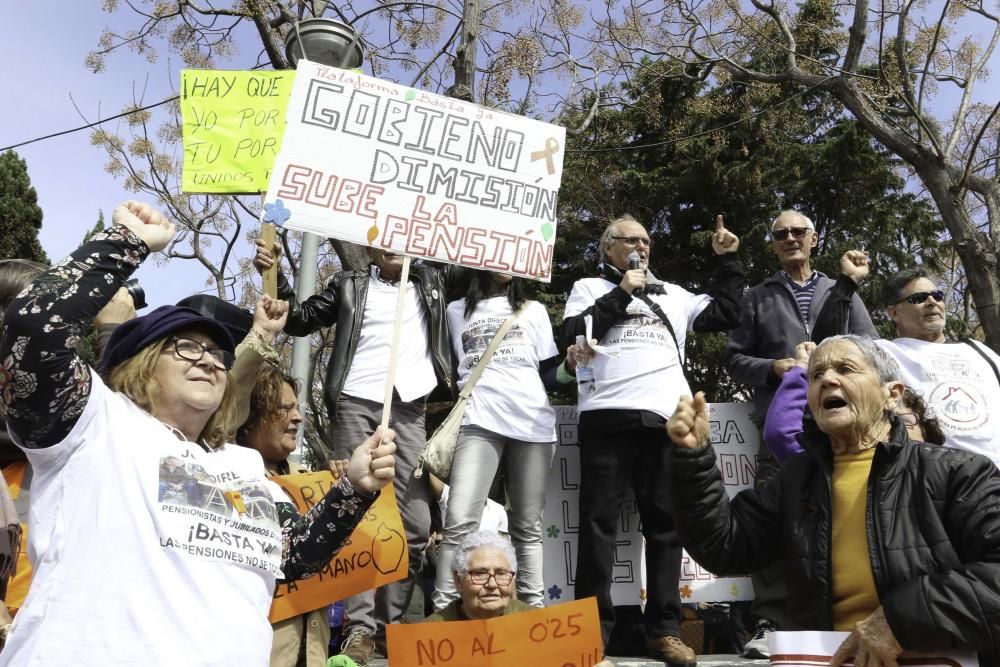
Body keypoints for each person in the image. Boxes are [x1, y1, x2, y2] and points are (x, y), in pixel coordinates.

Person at [0, 201, 397, 665]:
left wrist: (354, 487)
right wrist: (126, 242)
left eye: (218, 356)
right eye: (187, 347)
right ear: (141, 363)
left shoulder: (243, 464)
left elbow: (294, 556)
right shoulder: (92, 424)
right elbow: (31, 327)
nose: (210, 360)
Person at [668, 334, 1000, 667]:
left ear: (892, 394)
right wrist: (694, 460)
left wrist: (902, 620)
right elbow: (724, 546)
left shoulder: (959, 472)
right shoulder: (795, 480)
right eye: (816, 375)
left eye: (845, 368)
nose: (827, 379)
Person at [254, 239, 453, 666]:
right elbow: (301, 320)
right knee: (359, 513)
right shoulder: (350, 284)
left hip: (411, 405)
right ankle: (359, 629)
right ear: (372, 248)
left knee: (415, 523)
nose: (396, 246)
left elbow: (482, 266)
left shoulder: (434, 280)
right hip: (357, 399)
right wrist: (276, 276)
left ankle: (390, 625)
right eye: (387, 239)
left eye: (405, 237)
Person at [561, 213, 743, 666]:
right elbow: (574, 334)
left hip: (666, 419)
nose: (641, 246)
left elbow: (727, 311)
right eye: (630, 240)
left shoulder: (675, 294)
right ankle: (592, 633)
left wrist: (728, 260)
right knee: (598, 525)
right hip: (607, 415)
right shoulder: (589, 287)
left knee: (665, 526)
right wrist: (624, 291)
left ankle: (664, 629)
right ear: (608, 249)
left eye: (646, 240)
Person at [724, 212, 877, 656]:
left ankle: (857, 614)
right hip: (782, 427)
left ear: (813, 238)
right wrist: (774, 368)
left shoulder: (838, 290)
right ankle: (771, 621)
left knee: (854, 513)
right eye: (780, 234)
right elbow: (734, 359)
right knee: (774, 518)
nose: (789, 239)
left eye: (797, 232)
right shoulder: (758, 296)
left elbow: (871, 347)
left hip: (844, 428)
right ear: (773, 245)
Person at [434, 270, 572, 612]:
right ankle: (444, 615)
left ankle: (533, 614)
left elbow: (551, 376)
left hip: (533, 423)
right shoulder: (454, 311)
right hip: (479, 420)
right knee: (459, 522)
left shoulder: (534, 310)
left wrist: (571, 366)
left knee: (527, 526)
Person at [237, 365, 338, 667]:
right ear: (250, 416)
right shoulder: (229, 481)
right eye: (285, 408)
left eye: (297, 408)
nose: (298, 417)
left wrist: (345, 488)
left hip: (313, 653)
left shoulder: (315, 484)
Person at [875, 267, 1000, 468]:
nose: (932, 301)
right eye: (919, 298)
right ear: (894, 313)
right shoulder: (883, 353)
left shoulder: (980, 352)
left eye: (937, 295)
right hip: (936, 481)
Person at [764, 341, 946, 463]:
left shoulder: (950, 472)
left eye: (903, 422)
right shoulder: (819, 469)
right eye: (817, 375)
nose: (827, 379)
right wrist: (801, 369)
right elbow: (781, 433)